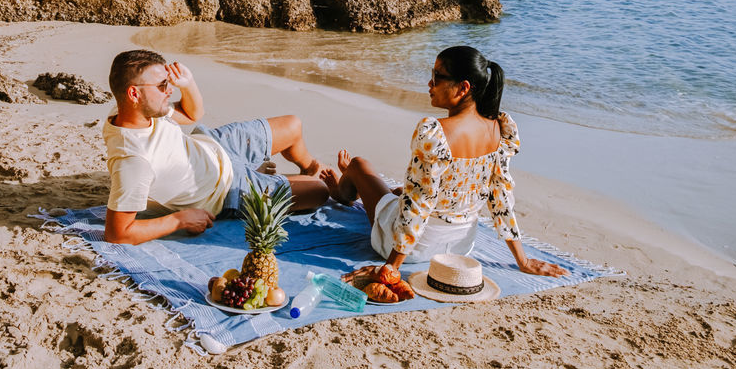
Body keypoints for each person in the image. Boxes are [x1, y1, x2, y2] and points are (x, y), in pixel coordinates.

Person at [321, 45, 566, 279]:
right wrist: (522, 260)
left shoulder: (435, 133)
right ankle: (363, 185)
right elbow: (500, 197)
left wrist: (392, 267)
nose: (430, 83)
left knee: (360, 165)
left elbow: (419, 204)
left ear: (463, 88)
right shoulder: (499, 129)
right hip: (460, 248)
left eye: (437, 77)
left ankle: (344, 188)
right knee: (400, 192)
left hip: (415, 249)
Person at [103, 48, 329, 245]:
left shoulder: (137, 111)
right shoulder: (133, 162)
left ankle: (305, 170)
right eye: (163, 85)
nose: (169, 90)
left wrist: (188, 83)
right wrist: (180, 219)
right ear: (134, 93)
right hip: (225, 190)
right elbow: (118, 233)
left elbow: (193, 114)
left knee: (293, 125)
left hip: (214, 145)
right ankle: (279, 178)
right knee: (320, 191)